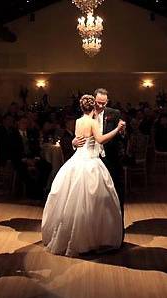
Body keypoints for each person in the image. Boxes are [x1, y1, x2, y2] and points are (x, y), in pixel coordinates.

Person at [42, 95, 126, 257]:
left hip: (77, 161)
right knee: (94, 201)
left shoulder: (79, 121)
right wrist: (117, 129)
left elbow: (79, 140)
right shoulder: (93, 122)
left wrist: (74, 142)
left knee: (74, 200)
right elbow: (100, 140)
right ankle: (92, 239)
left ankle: (75, 236)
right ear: (93, 106)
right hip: (91, 163)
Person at [73, 88, 126, 229]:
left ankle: (116, 229)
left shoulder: (114, 114)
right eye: (98, 102)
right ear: (93, 100)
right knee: (91, 199)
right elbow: (80, 135)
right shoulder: (86, 116)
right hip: (92, 161)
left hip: (110, 159)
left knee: (115, 195)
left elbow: (121, 138)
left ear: (107, 101)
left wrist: (121, 130)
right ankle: (94, 229)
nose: (101, 106)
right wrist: (74, 142)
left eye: (104, 103)